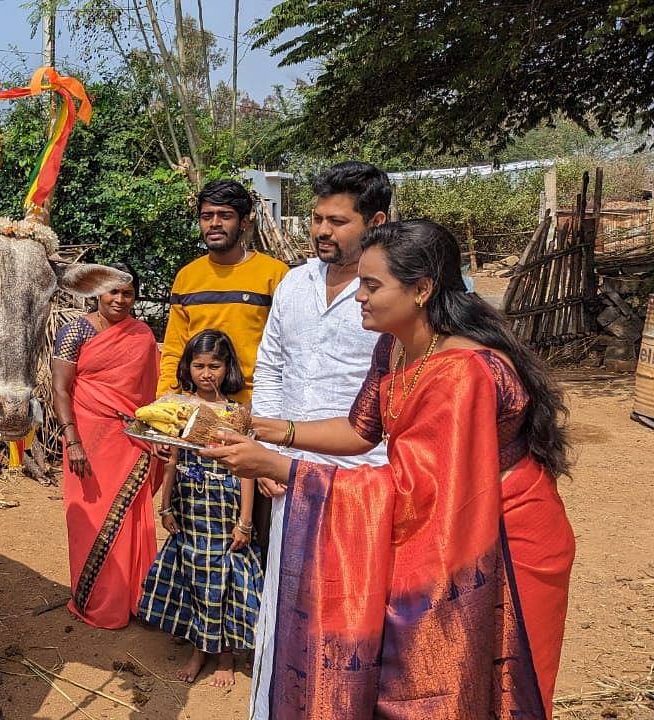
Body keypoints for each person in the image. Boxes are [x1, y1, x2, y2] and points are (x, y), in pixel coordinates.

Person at [205, 219, 574, 718]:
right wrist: (266, 428)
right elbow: (362, 431)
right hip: (445, 525)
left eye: (372, 285)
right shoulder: (396, 345)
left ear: (421, 290)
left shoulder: (461, 374)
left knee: (489, 689)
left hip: (499, 543)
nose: (358, 295)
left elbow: (420, 491)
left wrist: (283, 469)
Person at [248, 160, 393, 718]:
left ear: (376, 222)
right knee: (288, 600)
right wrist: (271, 458)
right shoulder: (294, 282)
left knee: (354, 607)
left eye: (337, 221)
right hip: (290, 472)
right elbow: (272, 367)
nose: (321, 232)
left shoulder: (388, 292)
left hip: (364, 476)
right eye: (316, 219)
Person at [137, 330, 264, 689]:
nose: (206, 373)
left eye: (215, 366)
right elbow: (171, 459)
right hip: (190, 505)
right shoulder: (177, 407)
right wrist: (165, 508)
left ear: (228, 369)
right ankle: (199, 648)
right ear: (187, 367)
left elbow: (246, 470)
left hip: (225, 508)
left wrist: (245, 522)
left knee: (223, 579)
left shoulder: (237, 413)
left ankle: (223, 655)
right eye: (199, 365)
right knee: (195, 576)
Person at [50, 264, 161, 629]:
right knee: (88, 521)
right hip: (87, 442)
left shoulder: (142, 335)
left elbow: (148, 394)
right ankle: (95, 601)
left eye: (127, 293)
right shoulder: (74, 332)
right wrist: (73, 441)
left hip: (131, 441)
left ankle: (136, 600)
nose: (120, 299)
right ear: (98, 292)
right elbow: (61, 390)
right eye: (113, 291)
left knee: (131, 521)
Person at [158, 180, 289, 402]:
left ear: (244, 222)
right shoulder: (187, 277)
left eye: (225, 216)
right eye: (207, 216)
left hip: (256, 405)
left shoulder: (275, 275)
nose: (214, 223)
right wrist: (166, 400)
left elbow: (289, 349)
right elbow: (174, 349)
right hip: (196, 405)